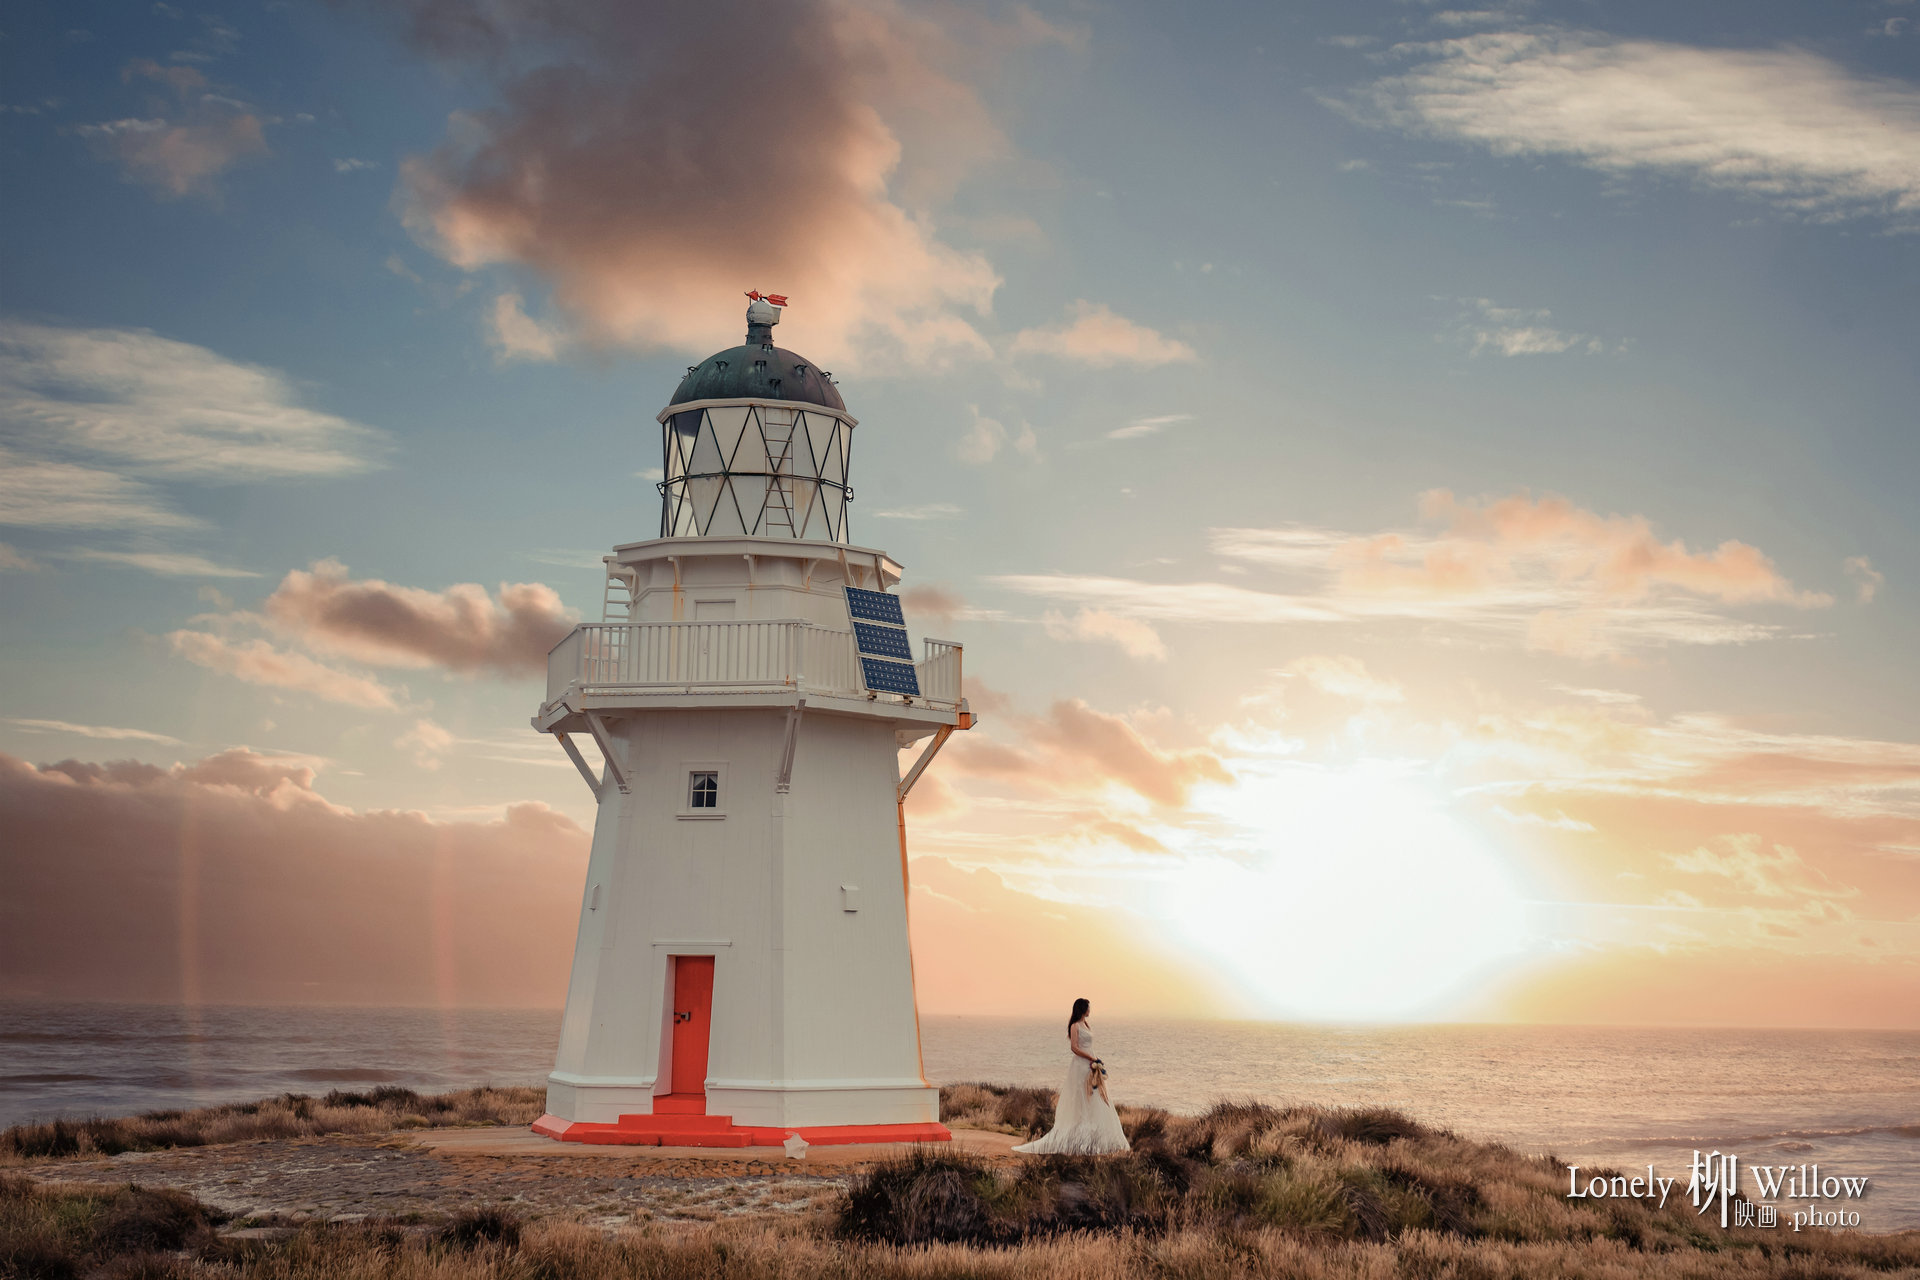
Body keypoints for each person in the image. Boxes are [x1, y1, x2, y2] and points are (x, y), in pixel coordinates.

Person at [1011, 997, 1130, 1155]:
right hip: (1081, 1065)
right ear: (1082, 1009)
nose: (1090, 1010)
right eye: (1088, 1007)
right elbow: (1074, 1048)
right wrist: (1090, 1058)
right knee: (1081, 1097)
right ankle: (1079, 1135)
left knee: (1095, 1096)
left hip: (1091, 1063)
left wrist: (1095, 1060)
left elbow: (1088, 1044)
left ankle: (1096, 1136)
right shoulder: (1075, 1026)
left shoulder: (1086, 1024)